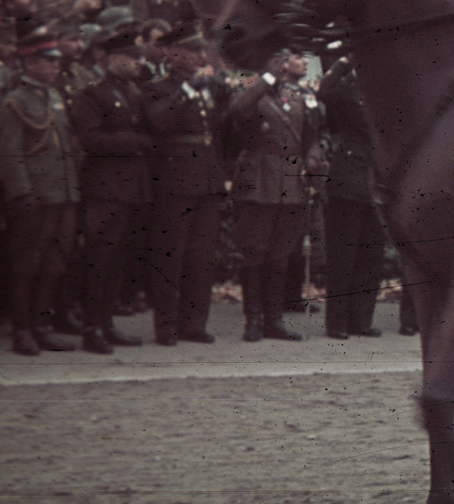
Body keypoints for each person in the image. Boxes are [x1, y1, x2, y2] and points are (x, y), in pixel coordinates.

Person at [227, 51, 322, 343]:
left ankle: (274, 319)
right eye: (284, 59)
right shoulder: (253, 93)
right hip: (259, 179)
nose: (287, 65)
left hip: (290, 181)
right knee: (255, 253)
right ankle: (253, 319)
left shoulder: (298, 95)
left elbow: (312, 134)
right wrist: (268, 77)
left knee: (280, 255)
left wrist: (314, 154)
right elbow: (238, 110)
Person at [143, 24, 228, 345]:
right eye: (193, 51)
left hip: (205, 178)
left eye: (200, 51)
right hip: (175, 180)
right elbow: (160, 122)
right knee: (170, 255)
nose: (200, 57)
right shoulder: (158, 88)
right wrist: (189, 91)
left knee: (201, 256)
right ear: (173, 53)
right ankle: (166, 326)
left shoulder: (206, 87)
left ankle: (194, 323)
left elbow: (218, 132)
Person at [68, 25, 151, 354]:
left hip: (131, 187)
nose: (138, 64)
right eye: (132, 59)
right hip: (105, 187)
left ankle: (107, 324)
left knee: (117, 260)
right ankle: (92, 328)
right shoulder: (93, 94)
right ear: (114, 59)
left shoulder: (132, 92)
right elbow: (91, 139)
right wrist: (136, 142)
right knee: (100, 259)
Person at [1, 27, 82, 355]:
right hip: (35, 195)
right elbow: (10, 152)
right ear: (29, 62)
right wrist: (21, 193)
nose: (55, 68)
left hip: (63, 193)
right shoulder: (14, 102)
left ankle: (42, 325)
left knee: (54, 264)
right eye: (48, 62)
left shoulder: (55, 97)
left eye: (56, 62)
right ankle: (23, 331)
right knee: (26, 265)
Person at [319, 55, 386, 339]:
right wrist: (345, 59)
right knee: (343, 256)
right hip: (348, 177)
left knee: (371, 256)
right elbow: (324, 89)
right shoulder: (346, 88)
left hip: (376, 181)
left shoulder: (383, 89)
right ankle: (337, 322)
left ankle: (361, 319)